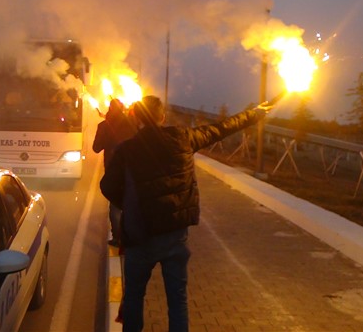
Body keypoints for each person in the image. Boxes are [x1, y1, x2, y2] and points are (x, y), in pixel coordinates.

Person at [100, 95, 273, 332]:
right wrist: (254, 113)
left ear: (137, 118)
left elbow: (107, 186)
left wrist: (129, 204)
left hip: (140, 239)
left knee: (134, 297)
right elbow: (221, 129)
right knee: (178, 300)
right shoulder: (183, 138)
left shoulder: (127, 150)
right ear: (162, 117)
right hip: (174, 236)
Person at [93, 98, 137, 247]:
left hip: (112, 170)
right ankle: (132, 235)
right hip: (132, 168)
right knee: (132, 202)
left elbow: (96, 148)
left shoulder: (104, 126)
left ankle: (118, 238)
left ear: (110, 109)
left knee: (115, 205)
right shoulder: (133, 125)